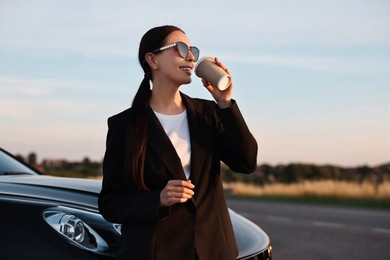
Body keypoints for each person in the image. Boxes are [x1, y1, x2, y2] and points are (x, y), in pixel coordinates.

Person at [98, 25, 258, 260]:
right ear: (153, 60)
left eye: (191, 49)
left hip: (213, 251)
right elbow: (110, 203)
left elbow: (246, 162)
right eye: (180, 48)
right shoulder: (125, 125)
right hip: (156, 252)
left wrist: (225, 103)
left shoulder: (208, 113)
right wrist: (157, 199)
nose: (191, 57)